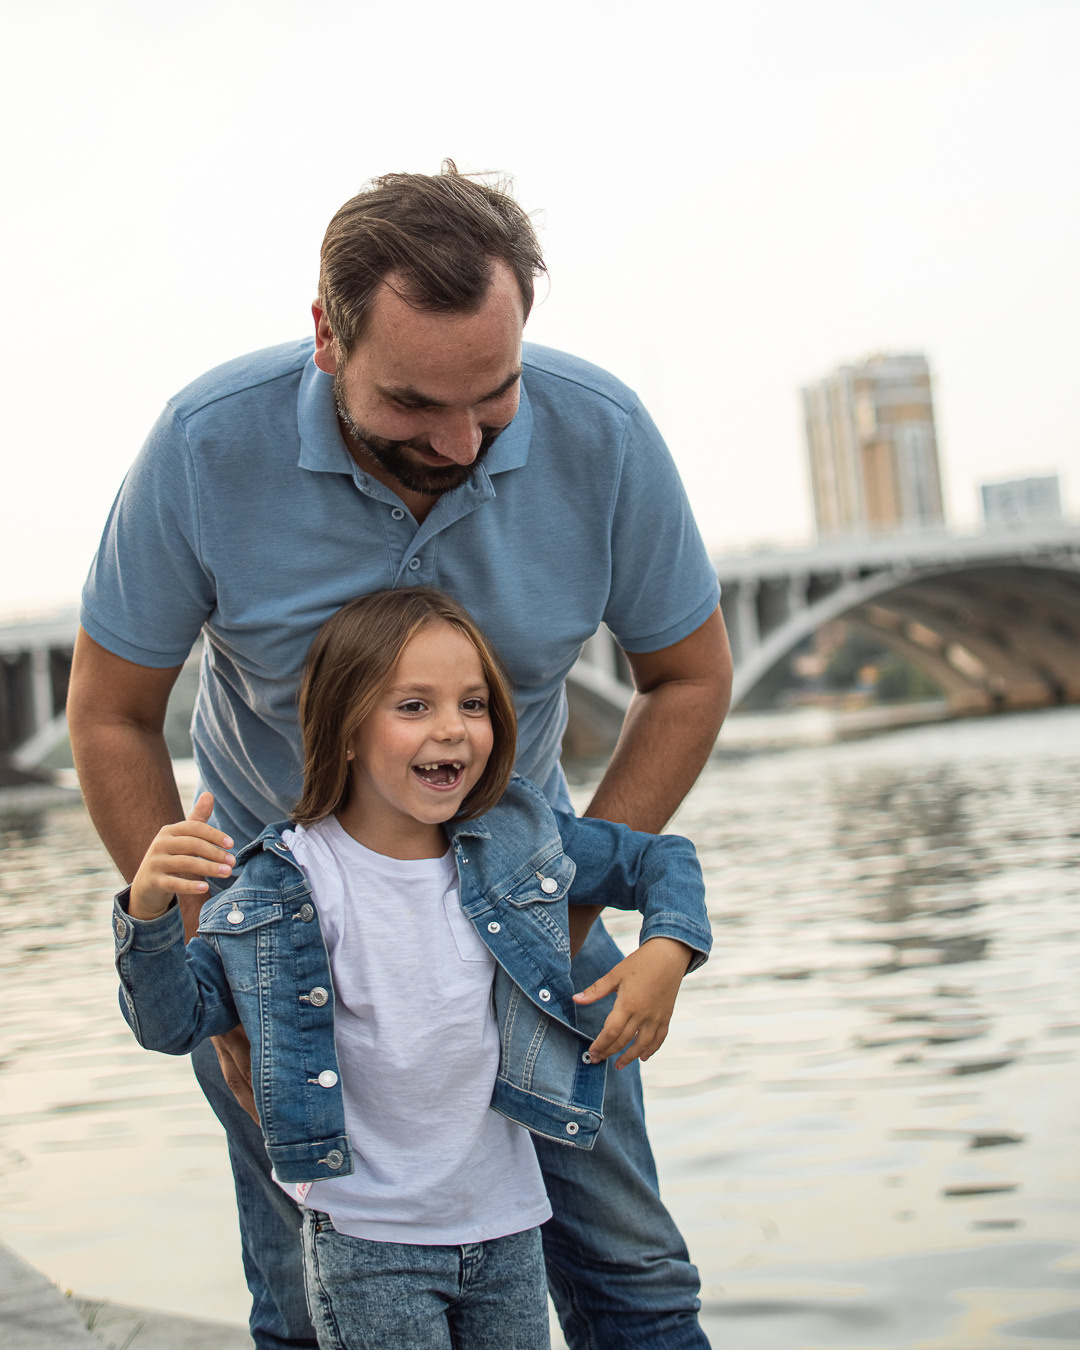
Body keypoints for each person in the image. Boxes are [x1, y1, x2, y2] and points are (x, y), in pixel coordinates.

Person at [70, 162, 733, 1349]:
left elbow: (688, 678)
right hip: (293, 955)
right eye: (415, 404)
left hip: (533, 943)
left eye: (495, 394)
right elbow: (112, 711)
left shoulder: (607, 436)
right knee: (306, 1301)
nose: (461, 439)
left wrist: (568, 909)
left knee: (630, 1276)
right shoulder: (203, 447)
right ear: (327, 336)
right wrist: (202, 947)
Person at [114, 588, 712, 1350]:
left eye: (472, 704)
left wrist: (669, 947)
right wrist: (150, 912)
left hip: (507, 1227)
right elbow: (174, 1023)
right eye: (413, 707)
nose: (453, 730)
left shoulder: (516, 840)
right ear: (347, 729)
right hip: (369, 1244)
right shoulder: (282, 883)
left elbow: (661, 859)